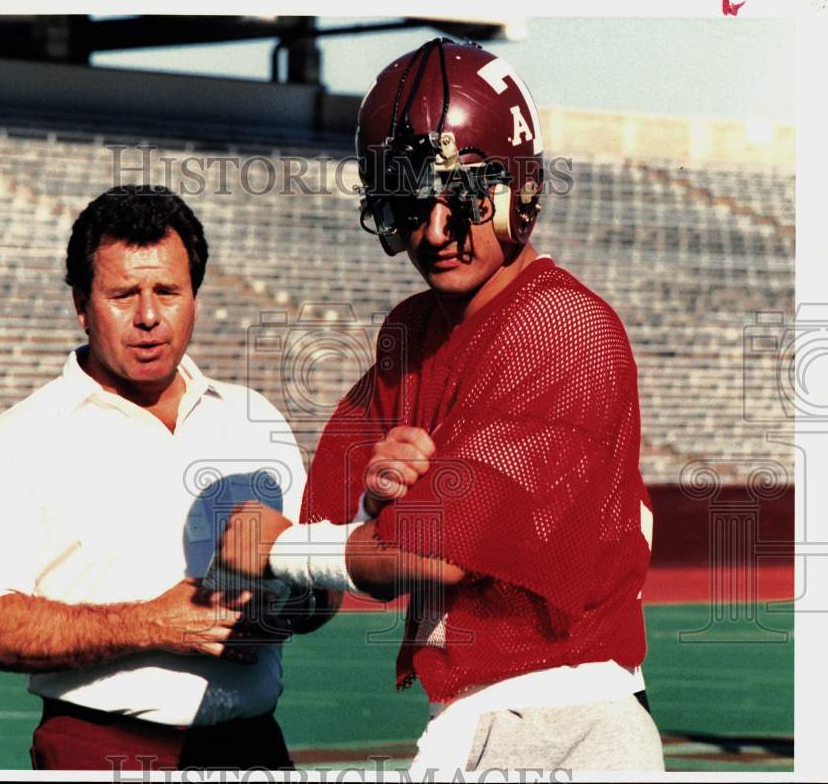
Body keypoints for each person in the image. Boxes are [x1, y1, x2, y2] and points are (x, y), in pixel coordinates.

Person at [217, 39, 665, 775]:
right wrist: (368, 508)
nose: (432, 233)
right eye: (407, 205)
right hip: (464, 720)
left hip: (569, 718)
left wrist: (279, 549)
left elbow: (434, 552)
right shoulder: (411, 332)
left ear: (517, 185)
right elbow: (330, 521)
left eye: (457, 201)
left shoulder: (562, 326)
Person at [0, 185, 335, 771]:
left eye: (167, 291)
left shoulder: (254, 419)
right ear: (81, 303)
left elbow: (319, 593)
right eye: (123, 294)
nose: (148, 317)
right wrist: (150, 624)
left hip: (253, 747)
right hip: (101, 749)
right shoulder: (15, 442)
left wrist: (283, 606)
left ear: (195, 297)